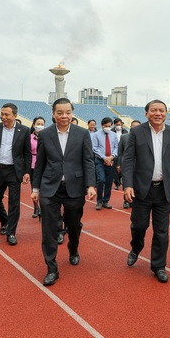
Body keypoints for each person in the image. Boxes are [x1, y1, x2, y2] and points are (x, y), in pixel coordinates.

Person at [31, 98, 96, 286]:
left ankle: (73, 248)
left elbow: (88, 161)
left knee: (74, 225)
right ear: (53, 114)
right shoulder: (45, 135)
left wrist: (90, 185)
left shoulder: (82, 134)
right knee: (48, 229)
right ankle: (51, 268)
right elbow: (40, 163)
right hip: (50, 187)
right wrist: (36, 189)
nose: (64, 116)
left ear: (72, 113)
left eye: (67, 112)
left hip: (74, 187)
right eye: (60, 112)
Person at [122, 100, 170, 283]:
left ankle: (158, 266)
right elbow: (127, 160)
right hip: (142, 190)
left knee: (162, 231)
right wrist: (128, 185)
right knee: (139, 225)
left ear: (166, 113)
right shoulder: (136, 132)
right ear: (146, 113)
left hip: (163, 190)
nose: (158, 113)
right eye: (154, 110)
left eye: (161, 110)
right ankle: (136, 247)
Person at [0, 103, 32, 246]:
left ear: (15, 116)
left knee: (14, 203)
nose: (3, 117)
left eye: (7, 114)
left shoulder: (24, 130)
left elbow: (27, 153)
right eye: (2, 114)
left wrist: (27, 171)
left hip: (14, 171)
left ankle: (11, 232)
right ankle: (4, 220)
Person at [92, 117, 118, 210]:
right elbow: (95, 148)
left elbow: (116, 147)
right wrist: (104, 158)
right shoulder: (96, 135)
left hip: (111, 160)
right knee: (101, 180)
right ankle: (99, 201)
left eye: (110, 126)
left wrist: (111, 157)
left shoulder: (114, 135)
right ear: (102, 125)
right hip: (100, 160)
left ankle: (106, 201)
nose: (108, 128)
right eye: (106, 126)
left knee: (109, 181)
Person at [116, 120, 140, 209]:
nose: (135, 128)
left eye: (137, 126)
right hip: (127, 165)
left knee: (137, 183)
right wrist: (118, 164)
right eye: (133, 126)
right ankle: (126, 200)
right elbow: (120, 152)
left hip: (140, 165)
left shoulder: (143, 137)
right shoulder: (124, 137)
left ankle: (134, 200)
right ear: (130, 127)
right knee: (127, 182)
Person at [29, 116, 46, 218]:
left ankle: (44, 208)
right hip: (32, 164)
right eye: (38, 124)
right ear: (34, 125)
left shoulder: (47, 136)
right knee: (34, 187)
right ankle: (36, 207)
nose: (40, 126)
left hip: (44, 164)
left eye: (42, 124)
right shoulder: (29, 137)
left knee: (44, 187)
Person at [112, 118, 128, 190]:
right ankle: (117, 183)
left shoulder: (125, 131)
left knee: (123, 168)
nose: (119, 125)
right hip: (115, 151)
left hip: (123, 150)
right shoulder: (111, 131)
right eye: (117, 124)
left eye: (120, 124)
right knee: (116, 168)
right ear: (114, 124)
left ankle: (123, 181)